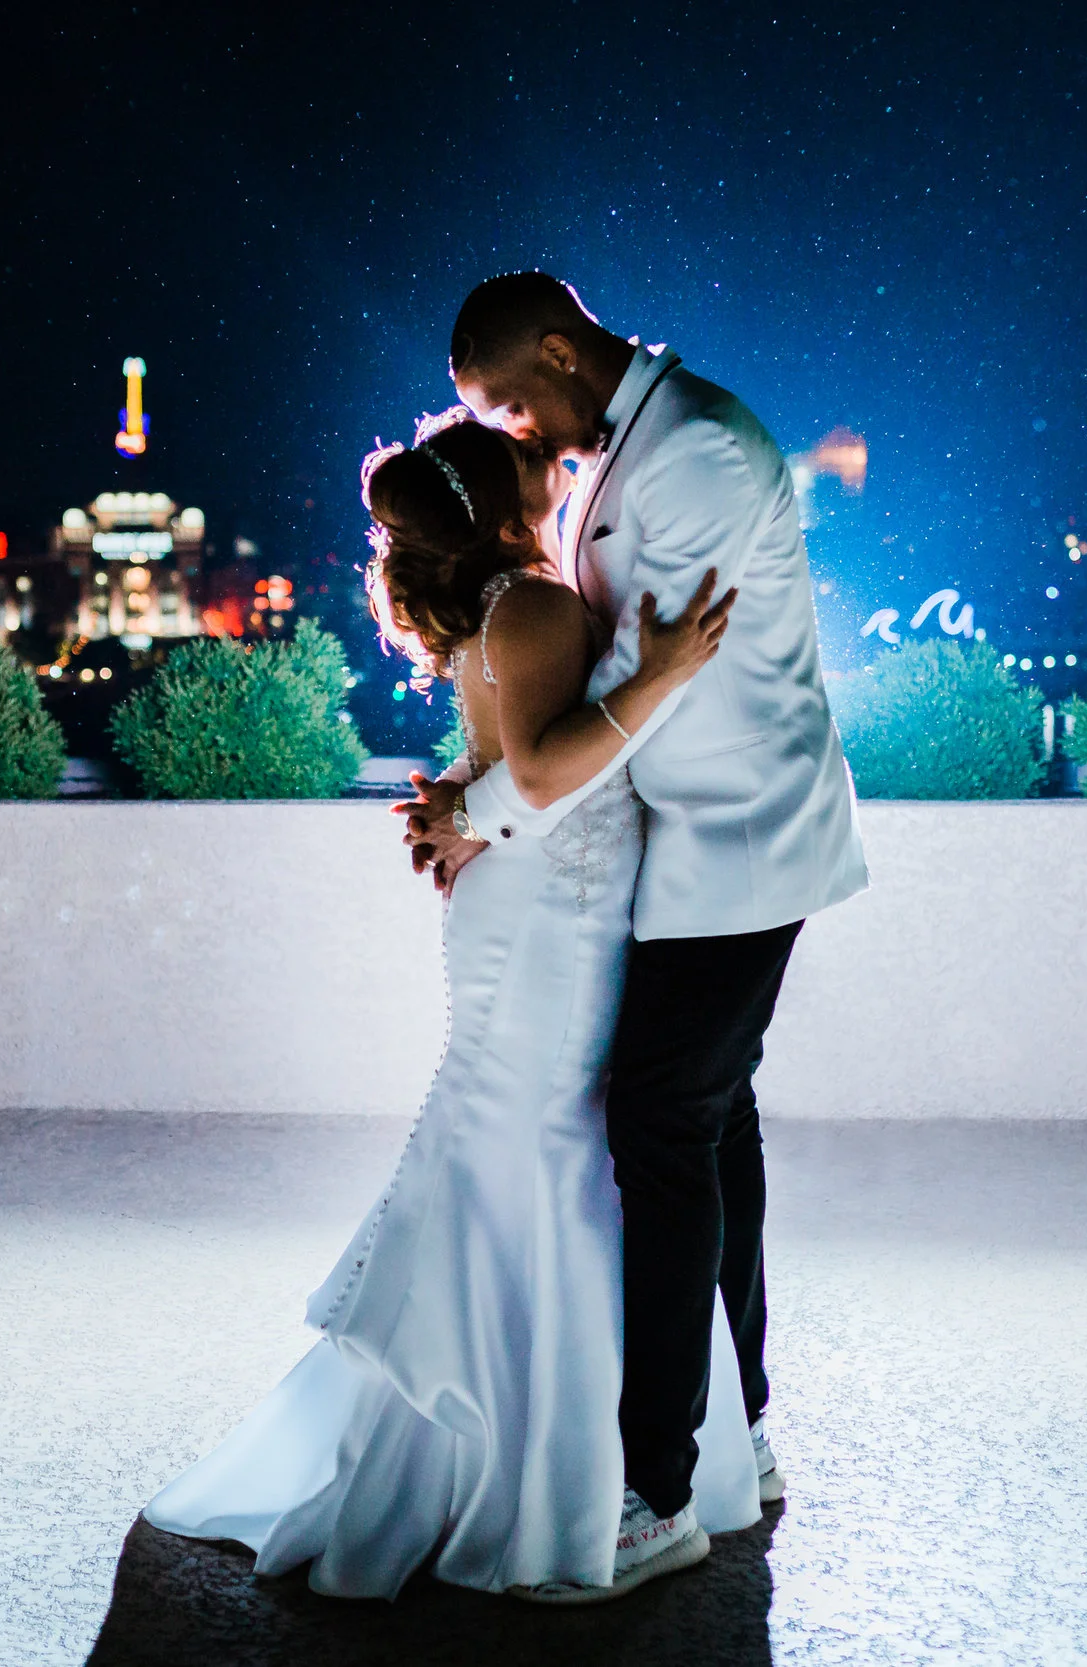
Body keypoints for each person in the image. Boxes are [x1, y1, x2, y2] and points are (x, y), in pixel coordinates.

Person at [139, 405, 762, 1601]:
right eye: (528, 455)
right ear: (505, 497)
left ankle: (550, 1441)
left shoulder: (506, 605)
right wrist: (665, 673)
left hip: (536, 903)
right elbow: (544, 767)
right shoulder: (531, 605)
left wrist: (466, 805)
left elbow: (505, 767)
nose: (550, 457)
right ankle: (553, 1468)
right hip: (553, 918)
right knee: (545, 1152)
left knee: (531, 1145)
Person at [407, 272, 868, 1601]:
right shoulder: (636, 440)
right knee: (710, 1124)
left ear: (560, 352)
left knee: (663, 1127)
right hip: (683, 842)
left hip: (745, 844)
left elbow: (639, 671)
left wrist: (484, 807)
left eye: (513, 407)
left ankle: (656, 1492)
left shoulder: (701, 452)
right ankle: (736, 1433)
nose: (517, 438)